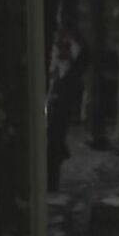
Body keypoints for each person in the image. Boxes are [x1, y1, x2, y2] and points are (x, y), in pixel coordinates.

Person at [46, 25, 84, 191]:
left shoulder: (74, 59)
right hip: (53, 101)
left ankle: (52, 182)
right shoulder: (57, 60)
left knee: (55, 142)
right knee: (53, 143)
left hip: (60, 105)